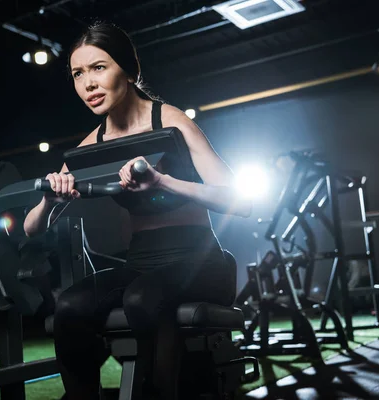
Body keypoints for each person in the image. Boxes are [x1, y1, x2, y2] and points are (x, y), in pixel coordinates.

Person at [23, 22, 252, 400]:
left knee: (141, 298)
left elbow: (238, 201)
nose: (88, 84)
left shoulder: (171, 121)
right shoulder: (94, 144)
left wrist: (164, 182)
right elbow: (33, 228)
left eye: (99, 68)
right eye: (78, 74)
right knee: (71, 304)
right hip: (141, 265)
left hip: (201, 262)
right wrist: (51, 199)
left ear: (128, 71)